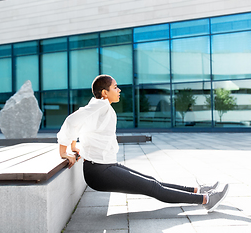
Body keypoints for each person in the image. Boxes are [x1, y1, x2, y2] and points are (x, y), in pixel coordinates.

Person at [57, 75, 229, 212]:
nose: (119, 90)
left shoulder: (99, 106)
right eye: (115, 87)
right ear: (104, 92)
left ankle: (198, 190)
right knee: (153, 187)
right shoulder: (100, 106)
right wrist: (64, 150)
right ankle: (206, 200)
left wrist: (74, 146)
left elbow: (79, 124)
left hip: (103, 166)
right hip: (99, 171)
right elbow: (72, 121)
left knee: (152, 180)